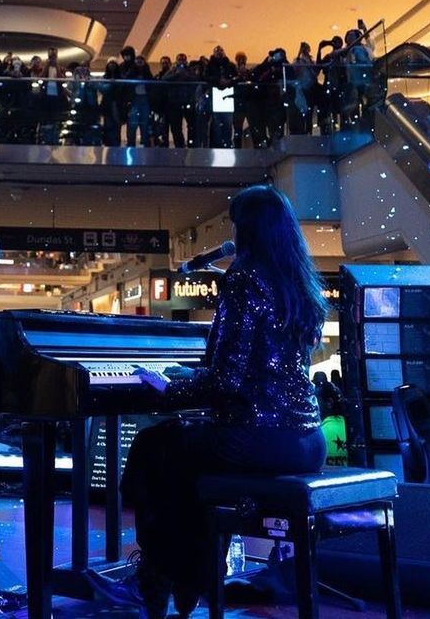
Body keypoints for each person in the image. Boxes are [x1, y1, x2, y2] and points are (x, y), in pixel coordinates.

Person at [109, 186, 327, 618]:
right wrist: (189, 376)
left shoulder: (245, 278)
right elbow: (260, 372)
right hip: (307, 442)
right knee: (186, 464)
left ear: (245, 230)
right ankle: (191, 576)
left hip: (259, 439)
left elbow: (226, 380)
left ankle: (159, 573)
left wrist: (168, 388)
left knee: (154, 447)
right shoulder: (298, 282)